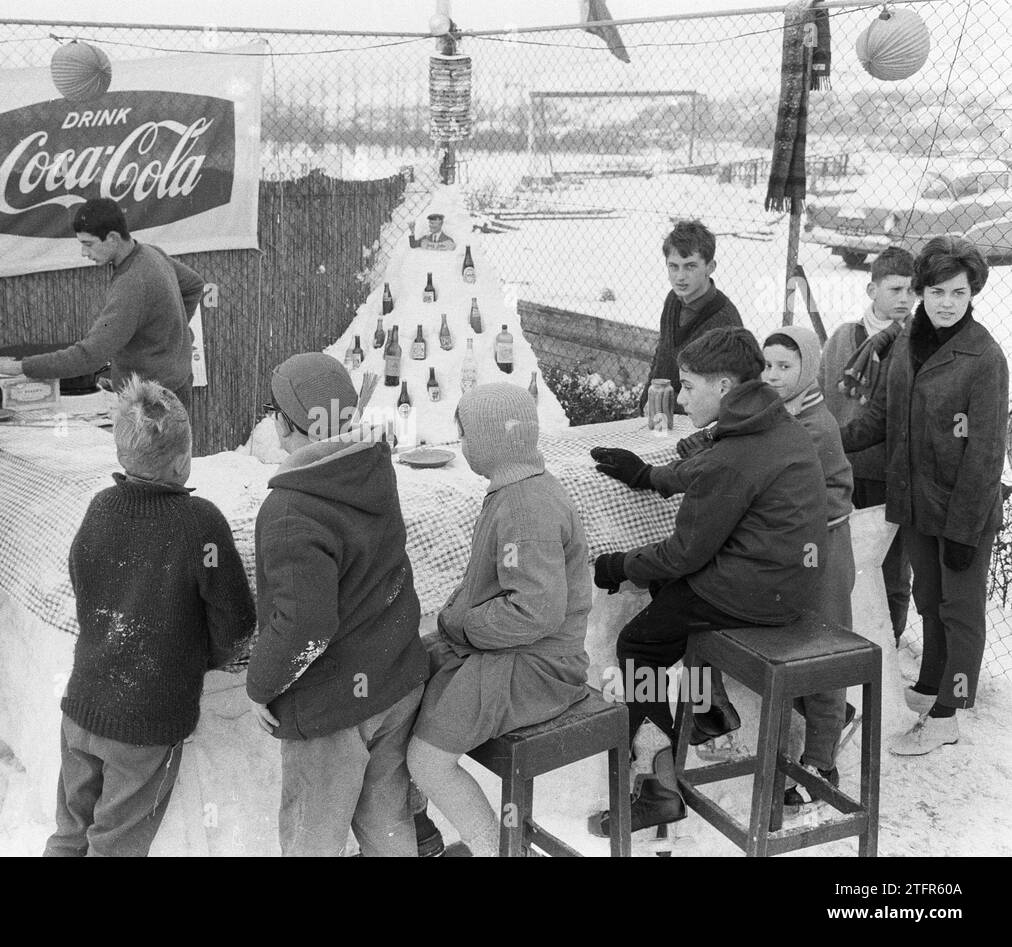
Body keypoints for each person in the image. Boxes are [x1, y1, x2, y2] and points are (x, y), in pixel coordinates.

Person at [588, 326, 826, 834]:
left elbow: (682, 553)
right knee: (669, 600)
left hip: (755, 592)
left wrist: (617, 566)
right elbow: (713, 468)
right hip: (785, 580)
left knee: (640, 643)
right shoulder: (765, 419)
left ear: (722, 386)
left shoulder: (737, 449)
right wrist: (648, 476)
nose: (680, 395)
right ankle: (707, 711)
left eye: (688, 385)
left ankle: (659, 787)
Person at [44, 378, 255, 856]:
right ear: (183, 461)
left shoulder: (100, 507)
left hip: (81, 708)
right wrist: (210, 657)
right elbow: (235, 621)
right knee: (114, 844)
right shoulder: (201, 523)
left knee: (69, 834)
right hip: (146, 723)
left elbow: (85, 585)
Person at [247, 353, 429, 857]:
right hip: (395, 684)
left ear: (286, 425)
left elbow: (305, 626)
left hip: (331, 711)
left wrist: (262, 685)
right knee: (388, 823)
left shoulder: (289, 509)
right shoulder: (373, 467)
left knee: (313, 839)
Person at [406, 383, 591, 858]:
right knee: (405, 674)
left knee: (427, 760)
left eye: (466, 436)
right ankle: (417, 832)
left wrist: (465, 626)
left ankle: (498, 850)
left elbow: (537, 610)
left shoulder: (527, 506)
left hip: (538, 666)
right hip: (509, 648)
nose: (463, 446)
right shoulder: (516, 490)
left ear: (492, 441)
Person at [841, 236, 1008, 756]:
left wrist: (963, 532)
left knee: (959, 612)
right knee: (929, 603)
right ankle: (932, 684)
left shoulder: (984, 358)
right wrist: (823, 443)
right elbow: (879, 419)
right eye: (935, 292)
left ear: (972, 292)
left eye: (957, 293)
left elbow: (984, 457)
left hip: (962, 512)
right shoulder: (908, 343)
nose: (945, 303)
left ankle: (949, 713)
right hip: (915, 504)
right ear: (921, 292)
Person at [0, 198, 205, 412]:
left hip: (150, 402)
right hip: (177, 385)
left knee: (150, 457)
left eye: (89, 244)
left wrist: (16, 367)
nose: (84, 253)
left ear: (113, 238)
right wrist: (170, 336)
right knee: (177, 456)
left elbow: (89, 356)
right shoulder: (150, 253)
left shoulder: (132, 283)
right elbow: (194, 284)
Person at [761, 326, 857, 805]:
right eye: (768, 365)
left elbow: (825, 497)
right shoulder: (785, 414)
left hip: (826, 554)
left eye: (786, 366)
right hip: (800, 553)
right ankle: (832, 717)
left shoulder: (814, 426)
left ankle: (822, 767)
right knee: (802, 646)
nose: (774, 375)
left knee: (821, 656)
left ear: (809, 368)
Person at [821, 247, 915, 646]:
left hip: (890, 474)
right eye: (895, 289)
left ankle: (884, 652)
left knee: (891, 571)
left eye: (913, 291)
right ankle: (835, 647)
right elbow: (825, 397)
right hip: (842, 470)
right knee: (839, 564)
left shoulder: (915, 343)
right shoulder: (845, 337)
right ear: (871, 288)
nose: (905, 299)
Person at [639, 220, 743, 413]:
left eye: (690, 266)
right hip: (660, 416)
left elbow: (717, 396)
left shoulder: (724, 322)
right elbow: (662, 357)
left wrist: (665, 409)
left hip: (696, 426)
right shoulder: (673, 299)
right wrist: (646, 401)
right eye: (673, 266)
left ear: (710, 267)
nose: (680, 277)